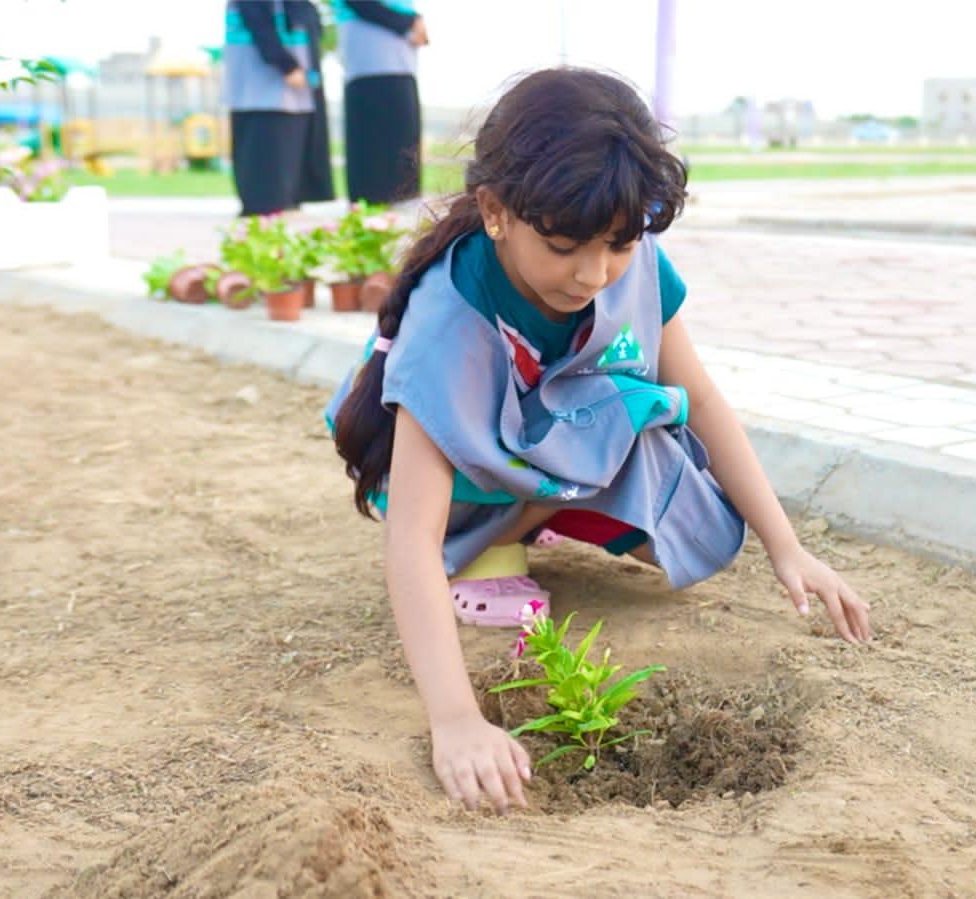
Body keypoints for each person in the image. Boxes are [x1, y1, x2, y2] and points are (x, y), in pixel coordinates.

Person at [327, 68, 872, 814]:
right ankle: (497, 537)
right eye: (563, 246)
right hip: (460, 486)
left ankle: (536, 511)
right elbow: (411, 537)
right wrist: (455, 720)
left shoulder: (624, 255)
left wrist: (788, 546)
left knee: (696, 527)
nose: (593, 274)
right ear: (495, 212)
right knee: (581, 444)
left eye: (619, 244)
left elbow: (702, 397)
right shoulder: (447, 322)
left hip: (537, 445)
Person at [223, 0, 334, 215]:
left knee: (290, 147)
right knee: (265, 153)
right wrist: (287, 65)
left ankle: (288, 199)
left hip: (296, 87)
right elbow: (259, 23)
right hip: (262, 85)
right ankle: (265, 207)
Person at [333, 1, 428, 205]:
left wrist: (417, 24)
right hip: (368, 66)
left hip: (403, 65)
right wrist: (410, 22)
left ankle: (404, 201)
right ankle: (370, 206)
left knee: (403, 143)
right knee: (371, 150)